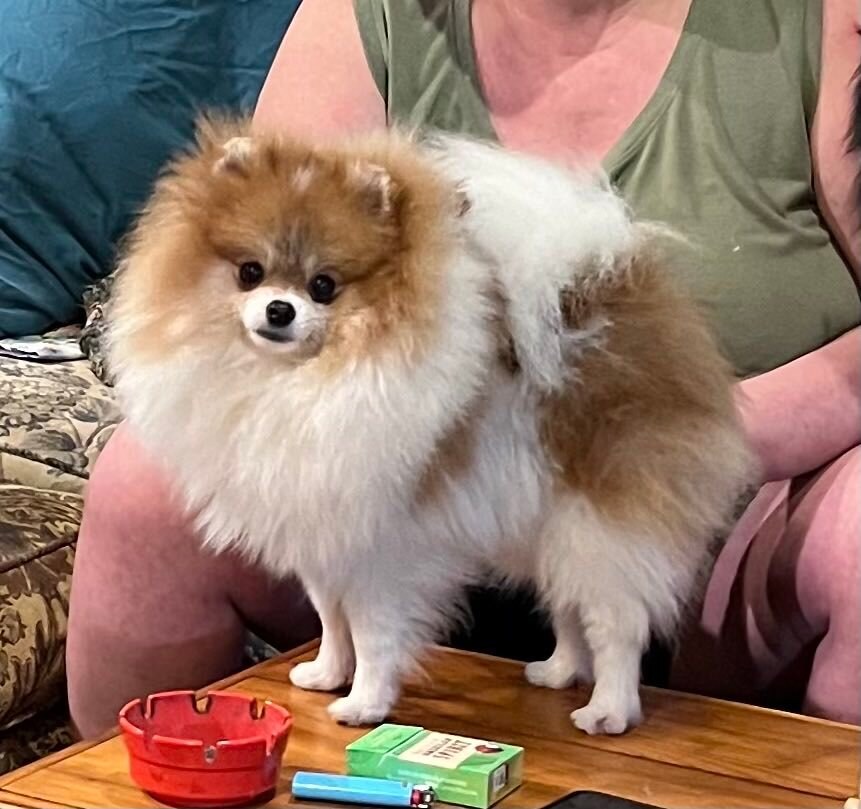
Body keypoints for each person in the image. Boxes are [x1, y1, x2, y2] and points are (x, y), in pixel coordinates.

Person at [67, 0, 861, 738]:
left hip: (727, 519)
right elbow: (260, 246)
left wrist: (707, 429)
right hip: (392, 504)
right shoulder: (371, 14)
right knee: (141, 488)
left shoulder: (821, 20)